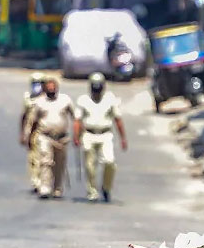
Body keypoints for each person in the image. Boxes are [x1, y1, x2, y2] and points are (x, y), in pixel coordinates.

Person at [22, 76, 79, 200]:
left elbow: (76, 118)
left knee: (59, 164)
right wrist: (28, 137)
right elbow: (33, 122)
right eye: (49, 88)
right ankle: (45, 187)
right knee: (46, 161)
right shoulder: (40, 102)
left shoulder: (65, 100)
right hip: (45, 136)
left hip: (62, 138)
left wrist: (77, 135)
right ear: (45, 89)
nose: (51, 90)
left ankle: (57, 188)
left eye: (53, 88)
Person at [75, 73, 128, 203]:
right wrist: (76, 136)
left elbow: (118, 119)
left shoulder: (110, 100)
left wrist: (123, 138)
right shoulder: (83, 100)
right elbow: (78, 120)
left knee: (110, 162)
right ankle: (92, 191)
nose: (96, 92)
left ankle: (106, 187)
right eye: (94, 88)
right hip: (88, 134)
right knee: (90, 166)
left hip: (105, 134)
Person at [19, 72, 46, 193]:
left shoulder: (48, 98)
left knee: (45, 158)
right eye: (35, 83)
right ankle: (36, 182)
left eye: (39, 83)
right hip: (32, 131)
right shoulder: (28, 98)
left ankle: (45, 180)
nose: (37, 86)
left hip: (45, 131)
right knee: (33, 158)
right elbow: (24, 116)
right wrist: (22, 133)